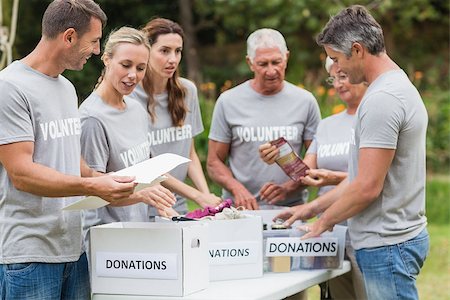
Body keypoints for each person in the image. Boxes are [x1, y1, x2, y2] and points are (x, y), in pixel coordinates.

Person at [276, 5, 429, 300]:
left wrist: (322, 223)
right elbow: (360, 177)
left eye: (336, 59)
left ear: (357, 50)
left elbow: (367, 187)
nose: (336, 70)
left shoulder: (381, 100)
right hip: (394, 240)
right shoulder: (395, 85)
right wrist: (309, 209)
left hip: (386, 245)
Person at [0, 1, 136, 299]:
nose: (97, 51)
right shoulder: (10, 87)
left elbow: (70, 159)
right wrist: (91, 185)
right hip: (29, 254)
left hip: (73, 249)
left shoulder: (66, 87)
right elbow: (21, 174)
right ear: (70, 36)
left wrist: (127, 186)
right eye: (95, 41)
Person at [259, 56, 367, 300]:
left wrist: (333, 179)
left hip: (362, 229)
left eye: (344, 76)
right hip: (329, 232)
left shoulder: (371, 119)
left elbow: (371, 175)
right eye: (334, 78)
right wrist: (277, 155)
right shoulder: (327, 125)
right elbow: (304, 172)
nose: (339, 84)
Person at [79, 27, 177, 252]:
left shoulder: (135, 108)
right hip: (108, 244)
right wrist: (141, 195)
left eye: (141, 68)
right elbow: (95, 190)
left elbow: (145, 171)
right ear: (106, 59)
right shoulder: (92, 118)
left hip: (138, 236)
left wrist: (162, 204)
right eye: (126, 65)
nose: (133, 75)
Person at [207, 28, 321, 210]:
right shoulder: (228, 101)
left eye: (277, 62)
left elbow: (316, 157)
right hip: (241, 209)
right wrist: (237, 189)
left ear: (287, 58)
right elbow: (214, 162)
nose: (271, 71)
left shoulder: (305, 101)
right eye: (263, 64)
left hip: (291, 208)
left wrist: (289, 188)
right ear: (250, 63)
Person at [130, 17, 221, 217]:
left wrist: (206, 197)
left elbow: (189, 154)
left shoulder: (188, 91)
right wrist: (196, 196)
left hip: (177, 206)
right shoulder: (130, 98)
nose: (173, 59)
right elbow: (146, 166)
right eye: (164, 51)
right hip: (144, 207)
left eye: (178, 51)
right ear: (147, 51)